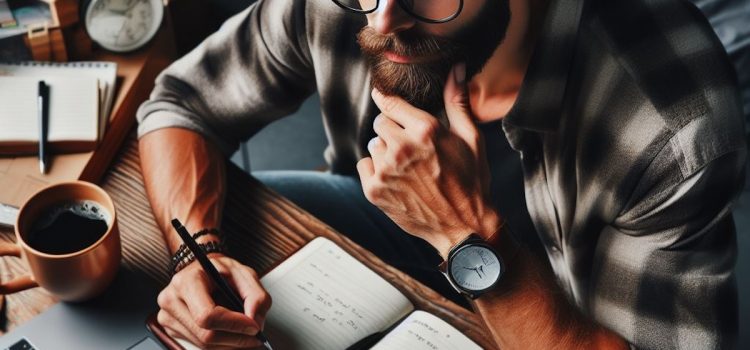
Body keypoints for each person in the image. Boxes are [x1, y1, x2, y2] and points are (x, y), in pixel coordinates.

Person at [136, 0, 747, 348]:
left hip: (558, 316)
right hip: (386, 232)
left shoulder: (675, 126)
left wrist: (466, 237)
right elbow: (182, 105)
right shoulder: (357, 6)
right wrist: (199, 256)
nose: (380, 23)